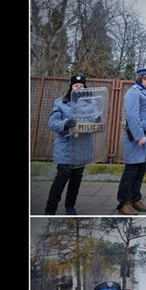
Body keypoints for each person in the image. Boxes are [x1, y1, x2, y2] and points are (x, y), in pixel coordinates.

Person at [45, 74, 101, 216]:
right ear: (71, 87)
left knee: (76, 178)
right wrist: (65, 124)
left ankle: (70, 206)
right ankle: (50, 208)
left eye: (81, 86)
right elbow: (52, 123)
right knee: (62, 175)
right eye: (76, 85)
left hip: (81, 148)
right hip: (65, 146)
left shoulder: (91, 104)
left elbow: (94, 120)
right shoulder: (60, 103)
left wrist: (96, 121)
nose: (79, 87)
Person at [117, 66, 146, 215]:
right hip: (136, 138)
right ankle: (124, 202)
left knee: (140, 170)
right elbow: (132, 116)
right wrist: (139, 135)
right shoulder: (134, 92)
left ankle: (135, 199)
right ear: (144, 78)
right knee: (131, 170)